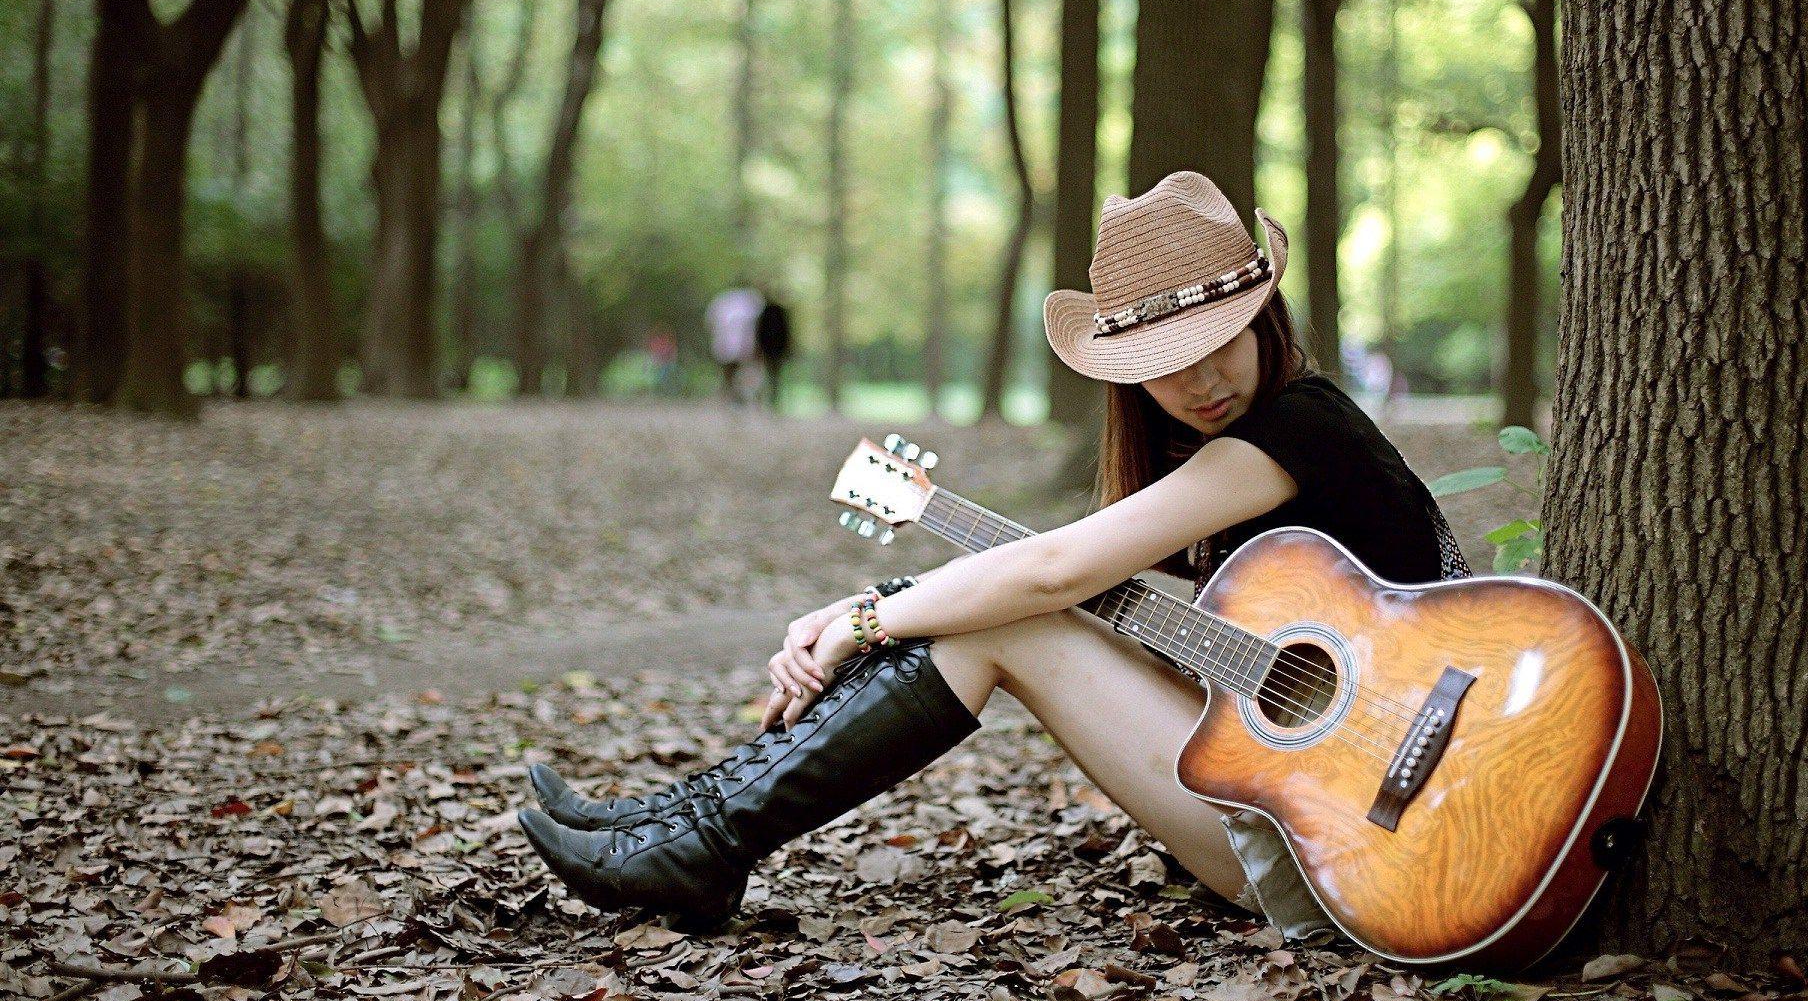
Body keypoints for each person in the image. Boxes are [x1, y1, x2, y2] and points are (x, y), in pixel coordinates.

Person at [517, 171, 1473, 936]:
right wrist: (892, 599)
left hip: (1357, 847)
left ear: (1264, 316)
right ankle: (682, 828)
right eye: (1164, 361)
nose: (1201, 377)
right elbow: (1098, 596)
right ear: (1128, 376)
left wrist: (861, 618)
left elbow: (1054, 574)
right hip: (1320, 800)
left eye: (1220, 339)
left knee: (1008, 623)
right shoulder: (1240, 461)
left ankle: (700, 842)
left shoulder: (1296, 430)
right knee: (989, 614)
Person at [705, 286, 764, 404]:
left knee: (742, 371)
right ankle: (733, 395)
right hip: (734, 346)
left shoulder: (724, 302)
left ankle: (740, 395)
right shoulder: (749, 302)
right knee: (734, 371)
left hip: (738, 345)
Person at [753, 292, 792, 413]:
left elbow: (759, 332)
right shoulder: (773, 313)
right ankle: (769, 399)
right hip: (772, 348)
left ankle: (771, 399)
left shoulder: (768, 313)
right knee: (772, 374)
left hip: (773, 348)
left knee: (771, 374)